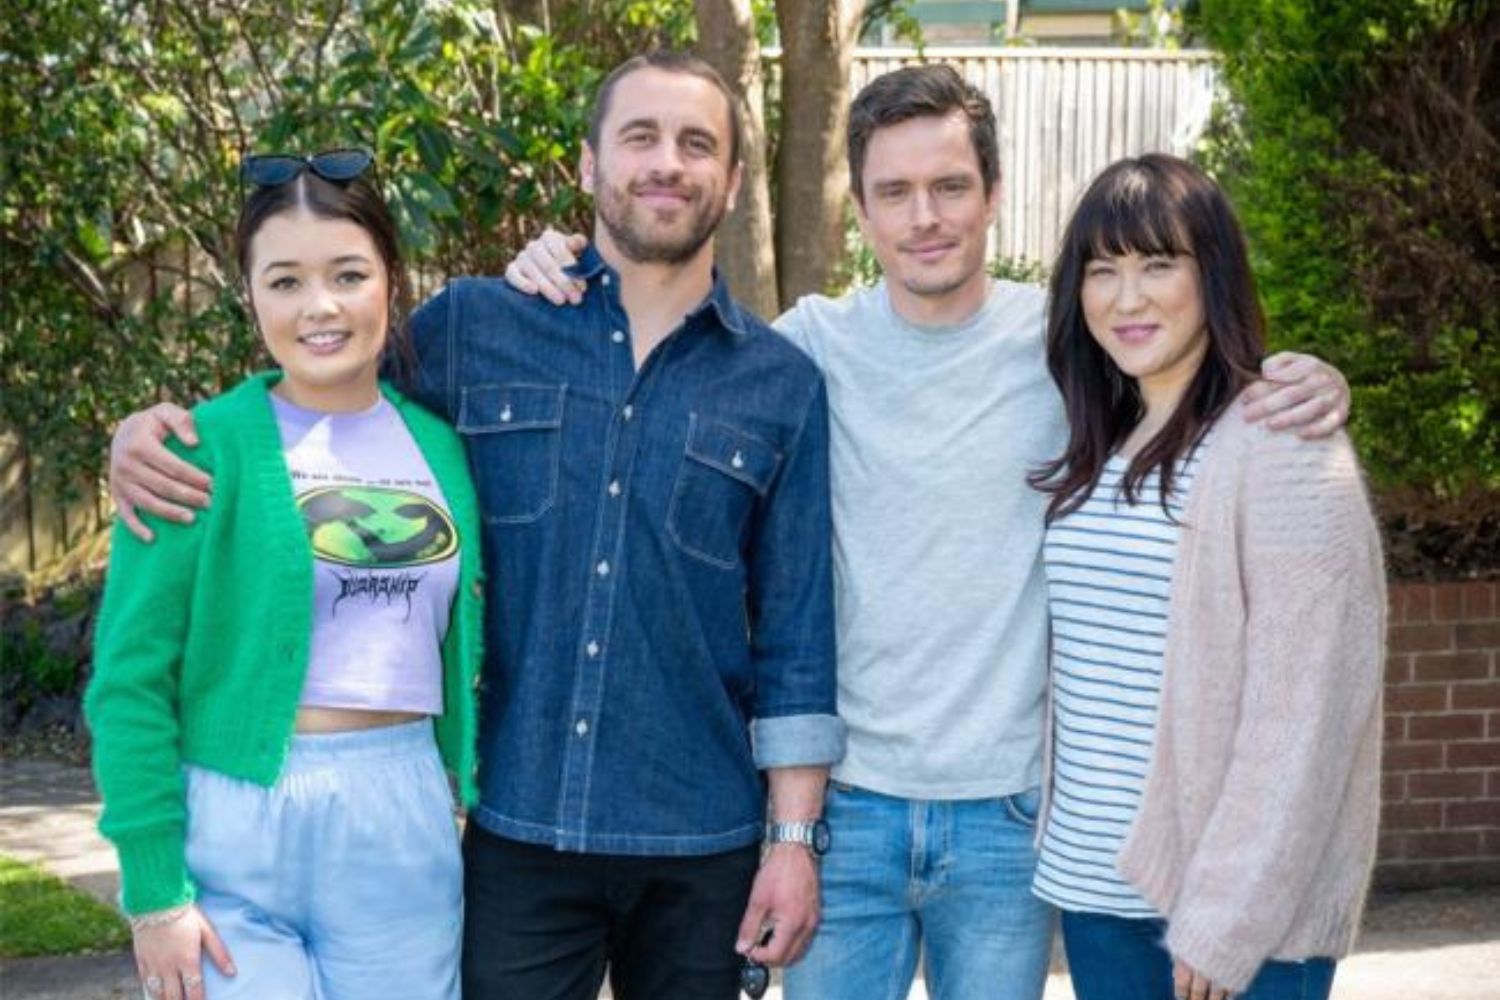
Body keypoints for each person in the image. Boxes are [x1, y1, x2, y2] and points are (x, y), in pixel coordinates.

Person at [504, 65, 1353, 1000]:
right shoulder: (804, 352)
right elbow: (674, 333)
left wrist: (1300, 378)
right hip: (847, 814)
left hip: (1011, 817)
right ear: (861, 212)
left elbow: (1194, 385)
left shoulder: (1074, 348)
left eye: (950, 187)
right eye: (894, 194)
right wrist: (558, 262)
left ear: (992, 196)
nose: (925, 218)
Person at [106, 52, 842, 1000]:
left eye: (697, 143)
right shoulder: (473, 328)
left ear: (734, 180)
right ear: (587, 166)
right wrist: (149, 434)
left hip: (699, 838)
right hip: (517, 831)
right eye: (640, 138)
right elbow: (317, 393)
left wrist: (792, 843)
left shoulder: (779, 385)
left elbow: (795, 638)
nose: (668, 162)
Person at [86, 149, 484, 1000]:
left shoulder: (444, 448)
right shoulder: (192, 448)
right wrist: (153, 895)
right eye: (285, 282)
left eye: (347, 274)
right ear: (251, 295)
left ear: (391, 280)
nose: (320, 307)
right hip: (234, 826)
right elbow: (128, 683)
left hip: (400, 815)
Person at [1028, 153, 1384, 1000]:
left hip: (1231, 920)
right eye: (1103, 270)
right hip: (1096, 894)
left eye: (1158, 264)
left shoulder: (1280, 441)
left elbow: (1304, 713)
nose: (1128, 297)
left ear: (1212, 274)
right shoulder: (1100, 447)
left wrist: (1226, 918)